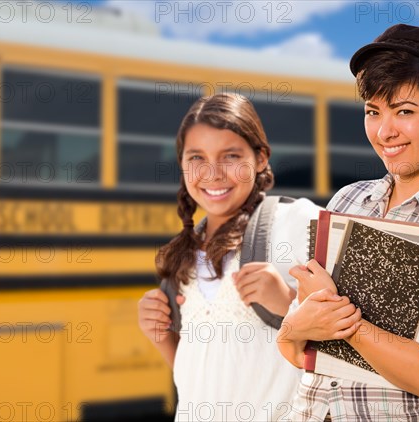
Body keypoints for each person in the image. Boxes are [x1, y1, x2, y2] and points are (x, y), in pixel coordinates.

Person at [278, 24, 419, 421]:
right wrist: (295, 327)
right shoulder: (348, 200)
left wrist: (338, 316)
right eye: (373, 112)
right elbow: (298, 351)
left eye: (404, 111)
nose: (385, 132)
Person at [137, 93, 322, 422]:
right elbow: (198, 376)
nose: (213, 173)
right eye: (196, 158)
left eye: (231, 155)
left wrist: (289, 303)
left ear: (261, 158)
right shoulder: (185, 254)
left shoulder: (297, 222)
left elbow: (356, 334)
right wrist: (161, 335)